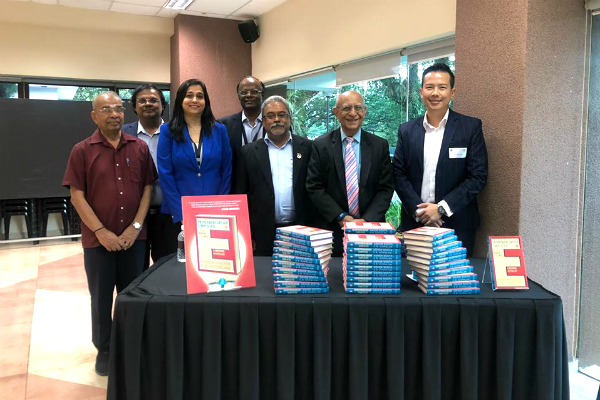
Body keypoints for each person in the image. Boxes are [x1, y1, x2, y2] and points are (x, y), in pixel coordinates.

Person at [62, 91, 156, 376]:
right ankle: (104, 348)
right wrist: (101, 231)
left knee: (132, 295)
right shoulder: (82, 150)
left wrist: (136, 227)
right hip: (97, 241)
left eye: (118, 109)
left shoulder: (139, 147)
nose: (114, 114)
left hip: (134, 239)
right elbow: (77, 195)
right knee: (101, 297)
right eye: (106, 109)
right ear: (94, 115)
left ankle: (131, 344)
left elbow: (147, 189)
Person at [393, 62, 488, 256]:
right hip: (415, 223)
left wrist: (442, 209)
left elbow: (478, 177)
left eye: (442, 87)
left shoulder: (470, 128)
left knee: (454, 283)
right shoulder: (407, 130)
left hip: (457, 224)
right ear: (421, 92)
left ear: (452, 92)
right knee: (412, 281)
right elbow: (398, 174)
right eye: (429, 87)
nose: (435, 93)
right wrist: (420, 211)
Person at [306, 90, 394, 255]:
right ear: (336, 113)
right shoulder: (320, 145)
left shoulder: (379, 145)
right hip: (331, 231)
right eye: (346, 108)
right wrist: (341, 217)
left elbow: (386, 188)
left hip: (371, 230)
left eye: (358, 108)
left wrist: (365, 221)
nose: (353, 113)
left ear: (365, 111)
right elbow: (314, 187)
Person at [234, 96, 313, 255]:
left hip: (301, 230)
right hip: (262, 233)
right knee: (264, 278)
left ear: (290, 118)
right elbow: (240, 195)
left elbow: (315, 189)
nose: (277, 119)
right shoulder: (247, 152)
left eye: (282, 114)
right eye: (270, 116)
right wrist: (246, 233)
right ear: (263, 121)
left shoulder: (308, 148)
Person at [157, 79, 232, 240]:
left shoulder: (219, 130)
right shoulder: (167, 131)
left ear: (206, 101)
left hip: (214, 211)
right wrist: (181, 212)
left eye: (200, 96)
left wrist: (220, 207)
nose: (195, 100)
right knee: (180, 262)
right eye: (189, 95)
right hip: (178, 212)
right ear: (180, 100)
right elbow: (165, 174)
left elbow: (226, 171)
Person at [122, 84, 177, 268]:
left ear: (163, 105)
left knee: (168, 268)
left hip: (169, 214)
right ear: (134, 107)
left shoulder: (177, 133)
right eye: (142, 101)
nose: (148, 104)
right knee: (136, 270)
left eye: (154, 100)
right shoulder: (122, 134)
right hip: (135, 216)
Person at [219, 76, 265, 191]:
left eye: (254, 92)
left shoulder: (271, 124)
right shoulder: (223, 125)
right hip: (235, 190)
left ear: (262, 95)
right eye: (244, 92)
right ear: (238, 96)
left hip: (265, 191)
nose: (248, 95)